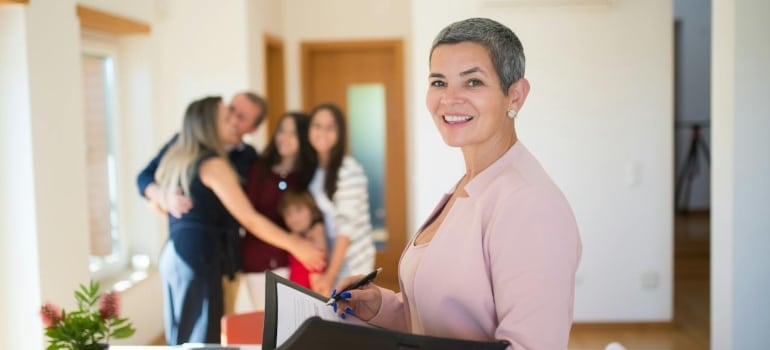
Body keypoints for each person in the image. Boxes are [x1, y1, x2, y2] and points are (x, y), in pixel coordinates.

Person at [330, 18, 582, 349]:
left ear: (515, 96)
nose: (449, 99)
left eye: (473, 82)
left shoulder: (530, 205)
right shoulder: (471, 185)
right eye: (438, 82)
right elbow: (440, 323)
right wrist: (380, 307)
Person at [154, 96, 325, 345]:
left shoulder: (182, 158)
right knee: (202, 338)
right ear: (210, 126)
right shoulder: (213, 164)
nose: (234, 122)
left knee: (183, 336)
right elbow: (249, 218)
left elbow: (161, 204)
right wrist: (296, 245)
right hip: (197, 256)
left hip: (176, 252)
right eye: (227, 118)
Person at [137, 91, 267, 315]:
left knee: (216, 326)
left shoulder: (249, 157)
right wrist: (163, 197)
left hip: (224, 255)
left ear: (253, 129)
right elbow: (144, 178)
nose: (234, 119)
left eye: (242, 117)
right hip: (195, 252)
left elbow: (250, 209)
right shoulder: (186, 144)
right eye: (231, 111)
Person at [240, 111, 317, 310]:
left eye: (293, 133)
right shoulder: (258, 169)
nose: (284, 138)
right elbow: (248, 216)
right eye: (282, 131)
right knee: (268, 324)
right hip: (257, 261)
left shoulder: (307, 176)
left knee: (297, 321)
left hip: (295, 261)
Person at [306, 103, 376, 296]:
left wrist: (330, 276)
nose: (322, 132)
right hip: (328, 260)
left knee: (348, 321)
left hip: (350, 263)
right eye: (317, 126)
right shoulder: (315, 170)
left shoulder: (349, 170)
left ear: (340, 133)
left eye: (330, 127)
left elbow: (346, 230)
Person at [278, 189, 327, 289]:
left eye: (298, 209)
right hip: (294, 296)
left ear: (312, 210)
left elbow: (319, 284)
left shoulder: (316, 238)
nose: (293, 218)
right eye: (288, 213)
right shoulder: (295, 239)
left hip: (306, 299)